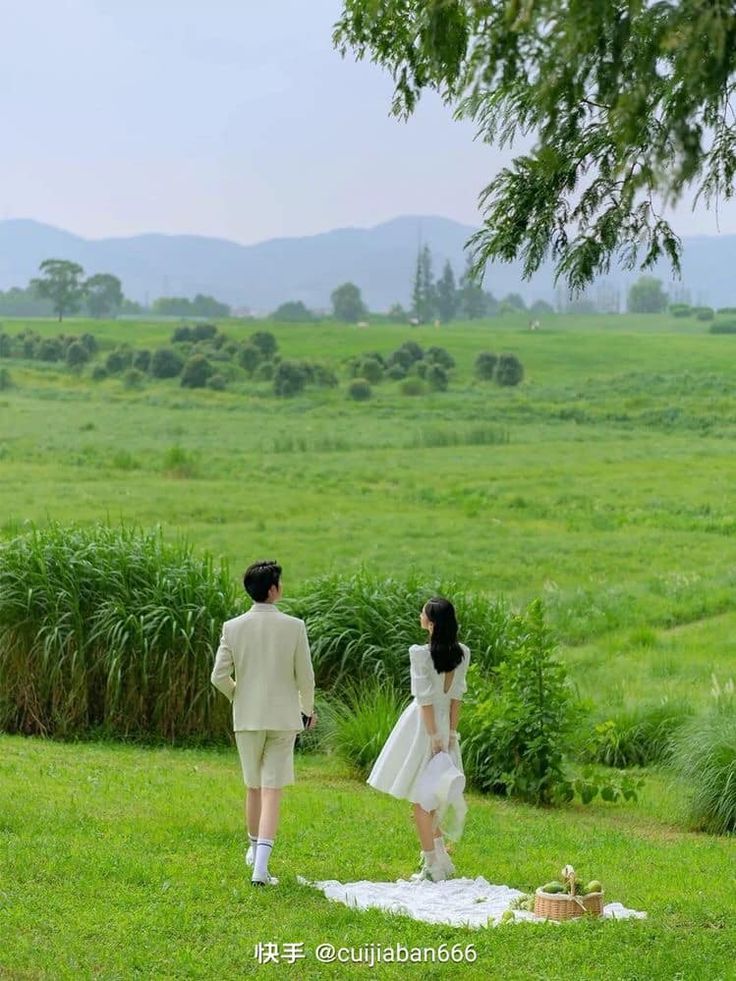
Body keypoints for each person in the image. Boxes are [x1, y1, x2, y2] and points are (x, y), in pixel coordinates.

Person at [211, 559, 315, 886]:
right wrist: (307, 710)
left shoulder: (233, 627)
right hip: (284, 719)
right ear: (273, 590)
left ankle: (254, 852)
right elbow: (306, 677)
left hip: (247, 717)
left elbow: (218, 677)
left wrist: (238, 694)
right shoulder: (294, 626)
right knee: (272, 790)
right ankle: (260, 869)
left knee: (253, 787)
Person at [367, 596, 470, 882]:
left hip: (422, 727)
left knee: (421, 798)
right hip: (443, 725)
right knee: (431, 794)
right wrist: (449, 733)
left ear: (431, 622)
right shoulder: (463, 652)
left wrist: (435, 737)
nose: (419, 616)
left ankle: (432, 864)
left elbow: (424, 700)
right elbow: (456, 699)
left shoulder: (421, 654)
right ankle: (441, 860)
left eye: (423, 613)